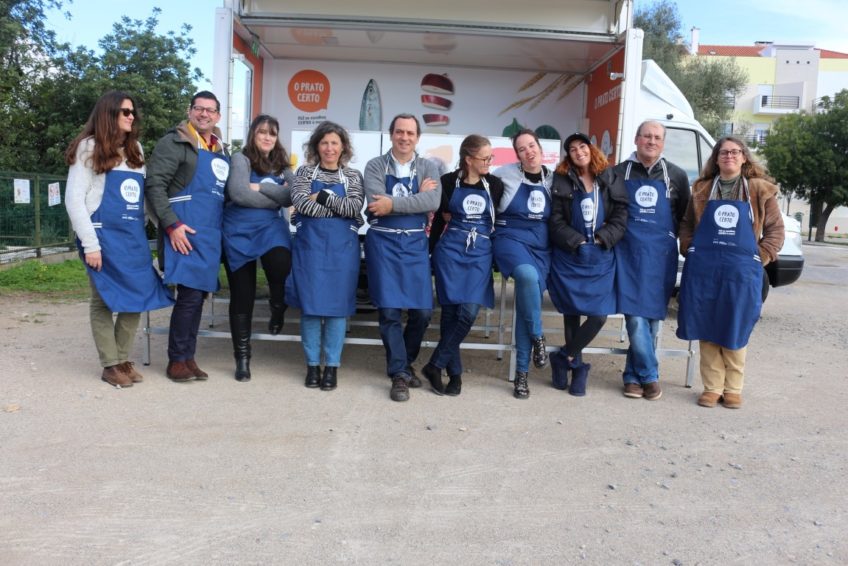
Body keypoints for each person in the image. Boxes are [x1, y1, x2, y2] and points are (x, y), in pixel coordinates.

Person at [65, 90, 174, 388]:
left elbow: (144, 202)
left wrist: (168, 225)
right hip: (101, 235)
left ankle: (123, 358)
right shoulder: (89, 148)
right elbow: (74, 201)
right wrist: (90, 244)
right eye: (125, 112)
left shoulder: (135, 148)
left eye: (132, 112)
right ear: (108, 114)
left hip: (132, 238)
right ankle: (110, 364)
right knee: (102, 299)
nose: (131, 116)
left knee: (135, 297)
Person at [677, 136, 784, 409]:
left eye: (735, 152)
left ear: (744, 157)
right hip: (705, 269)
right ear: (716, 158)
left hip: (741, 270)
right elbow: (687, 225)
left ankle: (733, 388)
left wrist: (758, 257)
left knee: (735, 323)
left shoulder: (760, 190)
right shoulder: (701, 189)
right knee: (706, 323)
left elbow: (775, 231)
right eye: (723, 153)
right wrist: (689, 248)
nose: (729, 157)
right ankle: (712, 388)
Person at [146, 91, 229, 383]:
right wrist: (172, 226)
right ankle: (176, 361)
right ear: (189, 110)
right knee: (190, 297)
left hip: (209, 233)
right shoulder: (175, 142)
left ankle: (188, 357)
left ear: (218, 116)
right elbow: (155, 186)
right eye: (199, 109)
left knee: (199, 296)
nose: (204, 114)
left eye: (210, 110)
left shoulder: (220, 149)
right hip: (183, 230)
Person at [363, 114, 441, 402]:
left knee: (422, 311)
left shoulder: (428, 166)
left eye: (410, 132)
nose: (404, 137)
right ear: (391, 134)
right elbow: (375, 205)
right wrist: (413, 201)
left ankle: (405, 363)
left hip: (415, 244)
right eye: (399, 132)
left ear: (417, 137)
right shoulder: (374, 166)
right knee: (389, 311)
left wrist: (392, 203)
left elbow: (432, 202)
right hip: (382, 242)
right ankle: (399, 374)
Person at [613, 121, 691, 401]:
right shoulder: (619, 173)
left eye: (657, 137)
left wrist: (684, 246)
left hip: (661, 256)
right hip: (628, 254)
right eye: (647, 136)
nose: (652, 141)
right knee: (634, 316)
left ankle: (632, 378)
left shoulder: (677, 176)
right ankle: (650, 375)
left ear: (663, 143)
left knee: (653, 319)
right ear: (636, 139)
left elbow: (684, 217)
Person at [286, 121, 365, 391]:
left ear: (343, 146)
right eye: (324, 143)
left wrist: (323, 196)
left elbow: (355, 206)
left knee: (337, 311)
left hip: (343, 252)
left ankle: (331, 367)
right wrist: (336, 207)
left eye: (334, 142)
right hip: (310, 249)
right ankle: (311, 366)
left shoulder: (353, 176)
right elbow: (300, 203)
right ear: (316, 146)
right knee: (310, 309)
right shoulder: (305, 172)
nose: (329, 148)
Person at [548, 133, 627, 396]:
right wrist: (577, 241)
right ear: (568, 155)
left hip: (601, 256)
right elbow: (555, 221)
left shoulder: (610, 176)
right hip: (570, 255)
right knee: (571, 312)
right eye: (572, 149)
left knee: (598, 315)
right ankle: (576, 367)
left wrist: (604, 238)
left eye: (582, 146)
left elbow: (621, 216)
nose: (578, 151)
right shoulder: (561, 180)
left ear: (591, 149)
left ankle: (564, 357)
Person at [425, 135, 503, 396]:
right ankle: (455, 375)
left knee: (468, 312)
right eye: (485, 158)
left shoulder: (495, 185)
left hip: (480, 253)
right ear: (468, 159)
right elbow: (439, 221)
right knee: (450, 314)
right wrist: (431, 250)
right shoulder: (448, 182)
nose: (489, 162)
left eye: (491, 157)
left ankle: (435, 363)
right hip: (450, 253)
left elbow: (498, 223)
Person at [222, 114, 294, 382]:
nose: (267, 137)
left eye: (272, 133)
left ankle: (278, 306)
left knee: (281, 265)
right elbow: (239, 193)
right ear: (253, 134)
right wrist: (273, 195)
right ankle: (242, 356)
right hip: (237, 230)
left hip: (270, 228)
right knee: (242, 294)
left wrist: (260, 186)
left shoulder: (283, 165)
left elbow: (291, 196)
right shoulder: (240, 159)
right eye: (262, 132)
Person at [493, 129, 553, 399]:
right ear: (517, 155)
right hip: (510, 239)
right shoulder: (502, 175)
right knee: (527, 278)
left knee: (530, 302)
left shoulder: (554, 179)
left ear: (540, 148)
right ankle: (539, 337)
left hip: (541, 246)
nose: (528, 152)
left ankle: (521, 376)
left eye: (532, 146)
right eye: (522, 149)